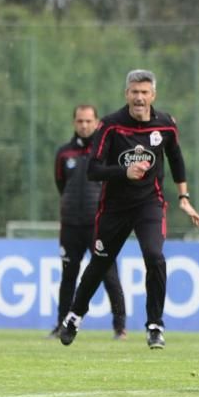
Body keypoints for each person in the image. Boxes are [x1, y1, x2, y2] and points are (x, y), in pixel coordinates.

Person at [58, 69, 199, 350]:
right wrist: (125, 172)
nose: (139, 98)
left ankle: (154, 325)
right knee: (100, 264)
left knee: (155, 256)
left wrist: (184, 197)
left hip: (149, 204)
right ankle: (75, 316)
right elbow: (93, 170)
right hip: (113, 208)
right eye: (134, 92)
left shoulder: (165, 124)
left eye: (144, 92)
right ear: (126, 94)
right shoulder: (111, 126)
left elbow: (176, 158)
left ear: (153, 95)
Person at [51, 104, 127, 340]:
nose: (84, 126)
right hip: (71, 226)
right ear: (74, 123)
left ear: (96, 123)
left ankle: (120, 328)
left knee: (109, 274)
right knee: (68, 276)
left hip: (99, 225)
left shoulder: (105, 151)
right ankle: (62, 324)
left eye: (88, 121)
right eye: (80, 121)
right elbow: (61, 185)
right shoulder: (64, 153)